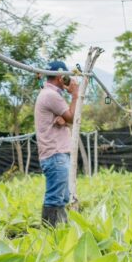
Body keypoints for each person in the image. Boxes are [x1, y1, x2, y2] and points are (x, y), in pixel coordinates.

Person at [33, 60, 80, 225]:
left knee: (62, 197)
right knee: (55, 198)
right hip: (55, 154)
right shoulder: (51, 96)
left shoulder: (48, 94)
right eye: (65, 76)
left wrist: (64, 119)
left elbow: (65, 118)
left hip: (56, 154)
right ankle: (49, 235)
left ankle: (59, 233)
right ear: (60, 77)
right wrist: (75, 94)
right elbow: (73, 117)